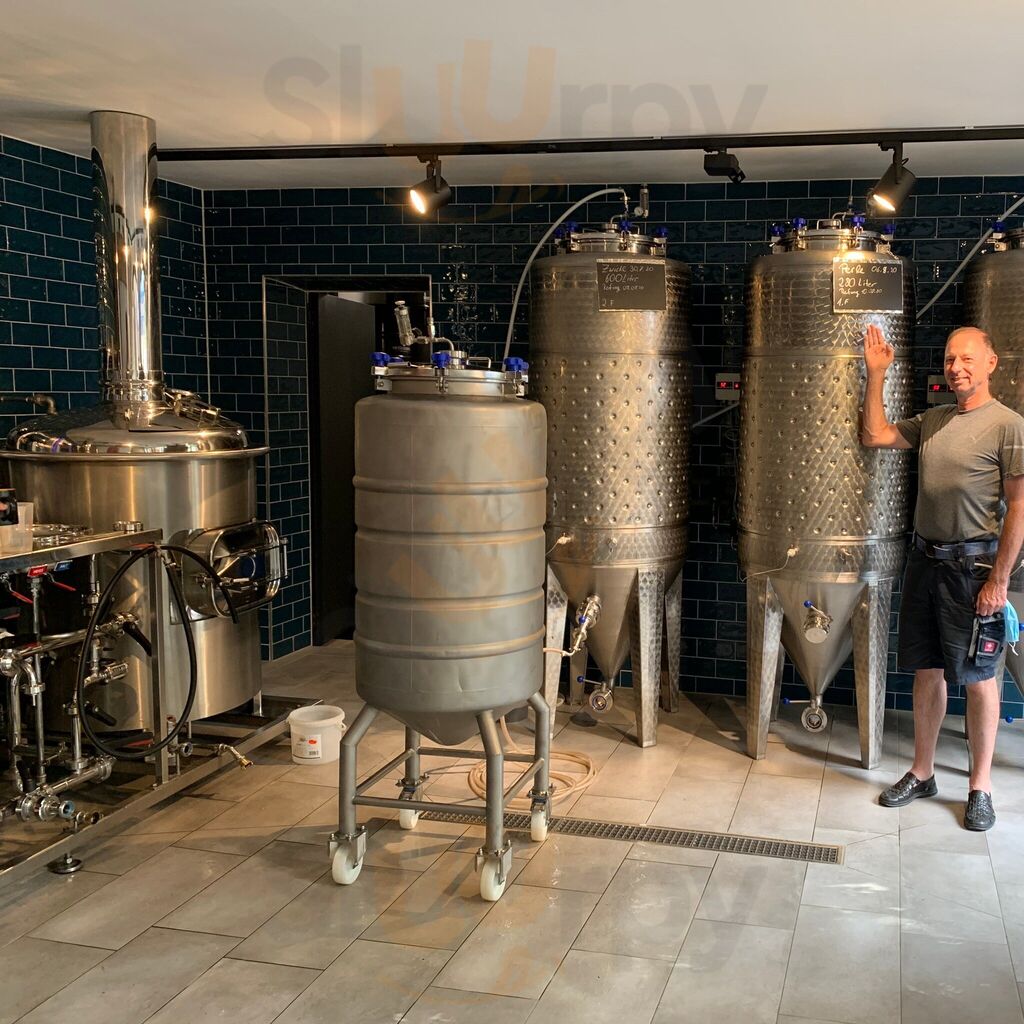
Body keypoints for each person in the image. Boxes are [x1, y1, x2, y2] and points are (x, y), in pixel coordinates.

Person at [861, 324, 1024, 831]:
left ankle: (980, 786)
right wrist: (876, 374)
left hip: (973, 568)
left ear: (990, 363)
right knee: (927, 671)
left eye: (967, 359)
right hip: (924, 561)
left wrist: (999, 581)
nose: (956, 368)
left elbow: (1019, 508)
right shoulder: (934, 420)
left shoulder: (1009, 426)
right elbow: (875, 435)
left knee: (979, 677)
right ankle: (923, 771)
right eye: (951, 359)